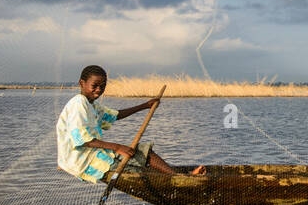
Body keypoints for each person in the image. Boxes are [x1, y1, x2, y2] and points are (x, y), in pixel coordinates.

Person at [56, 64, 205, 183]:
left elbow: (115, 115)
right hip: (83, 160)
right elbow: (84, 140)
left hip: (92, 154)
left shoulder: (91, 105)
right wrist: (118, 147)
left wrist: (145, 105)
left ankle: (181, 177)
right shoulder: (78, 103)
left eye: (102, 86)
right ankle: (180, 179)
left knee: (143, 153)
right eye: (94, 86)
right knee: (137, 166)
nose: (98, 90)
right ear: (82, 83)